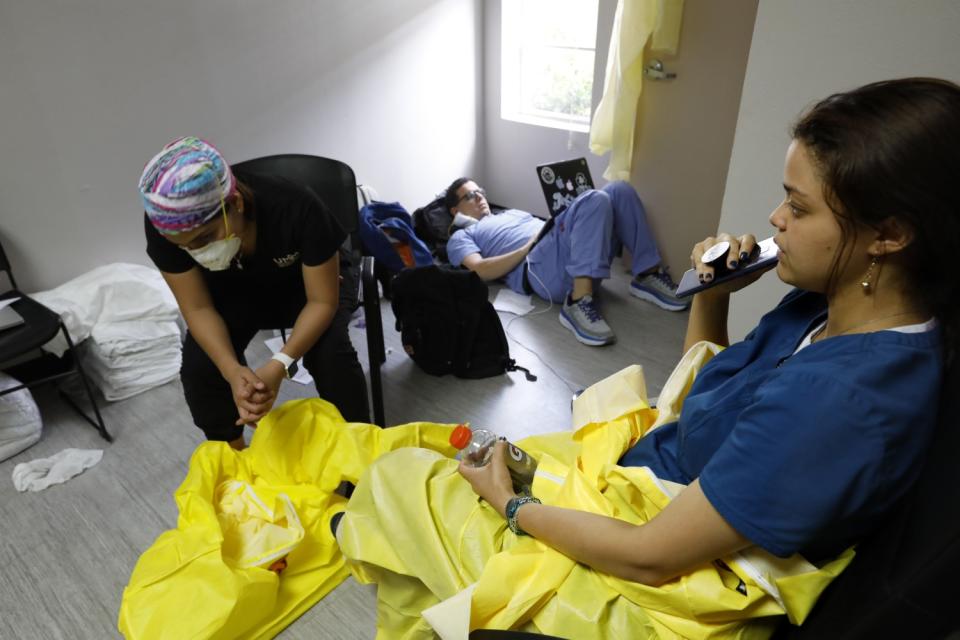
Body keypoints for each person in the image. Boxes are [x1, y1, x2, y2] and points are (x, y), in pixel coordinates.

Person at [339, 78, 959, 630]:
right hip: (657, 470)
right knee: (429, 446)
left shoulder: (839, 402)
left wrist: (512, 503)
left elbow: (651, 556)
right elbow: (701, 398)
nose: (775, 219)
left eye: (798, 208)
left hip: (652, 546)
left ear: (890, 234)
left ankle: (407, 538)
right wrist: (711, 294)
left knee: (400, 477)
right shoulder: (824, 308)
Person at [139, 136, 369, 449]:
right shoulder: (165, 226)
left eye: (206, 237)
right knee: (201, 369)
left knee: (331, 356)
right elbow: (198, 309)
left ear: (236, 203)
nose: (198, 252)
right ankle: (235, 459)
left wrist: (279, 365)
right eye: (186, 247)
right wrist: (232, 371)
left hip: (311, 284)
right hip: (236, 287)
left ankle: (360, 455)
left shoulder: (294, 206)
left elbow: (322, 301)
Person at [444, 178, 689, 347]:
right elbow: (480, 271)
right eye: (470, 195)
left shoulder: (510, 213)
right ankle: (577, 302)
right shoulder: (461, 236)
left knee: (619, 190)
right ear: (456, 210)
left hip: (565, 252)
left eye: (480, 192)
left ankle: (647, 274)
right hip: (540, 268)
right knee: (596, 199)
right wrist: (527, 247)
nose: (479, 198)